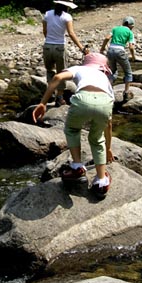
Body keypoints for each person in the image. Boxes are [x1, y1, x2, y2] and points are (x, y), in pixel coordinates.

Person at [32, 52, 115, 200]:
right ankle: (101, 180)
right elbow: (108, 124)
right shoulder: (106, 80)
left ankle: (77, 166)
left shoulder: (80, 69)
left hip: (82, 100)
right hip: (105, 101)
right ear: (104, 68)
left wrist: (43, 102)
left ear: (86, 63)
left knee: (72, 129)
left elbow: (57, 77)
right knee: (97, 139)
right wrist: (108, 148)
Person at [42, 0, 88, 107]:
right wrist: (81, 48)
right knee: (61, 73)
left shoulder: (47, 14)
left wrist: (49, 40)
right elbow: (71, 34)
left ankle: (50, 93)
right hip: (60, 48)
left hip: (47, 46)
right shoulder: (67, 17)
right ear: (67, 6)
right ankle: (60, 97)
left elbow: (44, 31)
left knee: (49, 71)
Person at [100, 16, 136, 101]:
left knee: (112, 71)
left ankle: (108, 90)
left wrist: (102, 48)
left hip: (110, 50)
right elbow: (131, 47)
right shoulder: (130, 32)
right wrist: (133, 56)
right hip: (120, 51)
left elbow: (107, 38)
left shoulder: (115, 29)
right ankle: (126, 93)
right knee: (128, 72)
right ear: (131, 26)